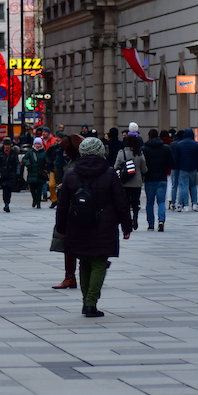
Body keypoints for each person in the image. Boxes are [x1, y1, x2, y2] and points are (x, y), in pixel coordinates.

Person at [56, 137, 131, 317]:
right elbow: (121, 202)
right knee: (98, 262)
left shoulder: (71, 173)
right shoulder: (110, 173)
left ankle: (86, 302)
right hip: (103, 224)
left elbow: (63, 204)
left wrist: (61, 227)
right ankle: (91, 303)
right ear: (100, 152)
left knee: (84, 262)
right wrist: (126, 226)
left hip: (77, 223)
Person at [51, 134, 83, 289]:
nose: (64, 153)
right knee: (77, 243)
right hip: (81, 210)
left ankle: (70, 276)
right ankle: (70, 276)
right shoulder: (75, 164)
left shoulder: (74, 166)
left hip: (74, 210)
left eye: (66, 150)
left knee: (70, 244)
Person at [141, 129, 175, 231]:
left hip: (149, 178)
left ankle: (151, 224)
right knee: (161, 202)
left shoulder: (144, 149)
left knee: (149, 202)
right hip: (162, 178)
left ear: (149, 136)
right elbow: (172, 163)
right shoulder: (166, 148)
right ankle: (161, 221)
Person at [114, 134, 148, 230]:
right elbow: (144, 169)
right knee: (135, 202)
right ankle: (135, 217)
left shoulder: (122, 153)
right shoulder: (139, 153)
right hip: (136, 182)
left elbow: (116, 166)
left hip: (124, 182)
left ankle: (128, 220)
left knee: (126, 203)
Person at [173, 128, 198, 212]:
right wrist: (197, 166)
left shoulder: (179, 144)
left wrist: (179, 166)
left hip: (183, 168)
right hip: (193, 168)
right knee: (193, 186)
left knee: (184, 186)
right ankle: (194, 203)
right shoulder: (197, 145)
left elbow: (176, 158)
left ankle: (186, 205)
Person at [0, 138, 19, 213]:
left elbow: (17, 163)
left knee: (9, 189)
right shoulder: (0, 153)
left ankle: (7, 202)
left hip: (11, 173)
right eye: (5, 145)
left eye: (8, 145)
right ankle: (6, 203)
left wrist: (17, 172)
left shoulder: (14, 153)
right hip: (3, 173)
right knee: (5, 189)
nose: (7, 146)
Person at [22, 137, 47, 208]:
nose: (37, 145)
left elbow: (47, 160)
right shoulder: (30, 152)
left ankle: (38, 202)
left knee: (39, 189)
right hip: (32, 172)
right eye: (36, 144)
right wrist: (28, 164)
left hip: (40, 174)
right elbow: (24, 159)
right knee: (32, 189)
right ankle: (34, 199)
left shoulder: (44, 153)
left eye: (39, 144)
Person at [168, 129, 184, 209]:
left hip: (174, 167)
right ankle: (181, 203)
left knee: (174, 185)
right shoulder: (183, 144)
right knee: (181, 185)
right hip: (181, 166)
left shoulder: (172, 144)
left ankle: (172, 202)